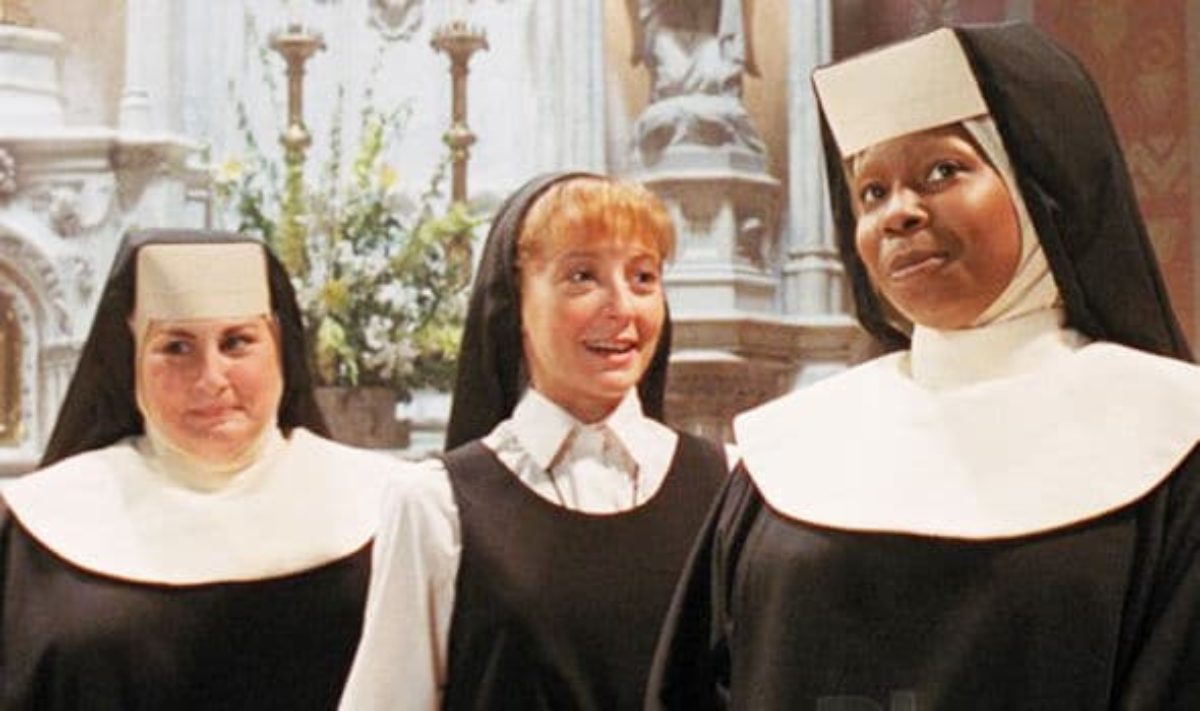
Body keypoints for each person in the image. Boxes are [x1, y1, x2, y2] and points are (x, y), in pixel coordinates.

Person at [647, 23, 1200, 709]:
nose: (898, 214)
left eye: (943, 172)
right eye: (871, 192)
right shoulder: (787, 454)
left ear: (1039, 189)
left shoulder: (1168, 439)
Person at [338, 173, 729, 709]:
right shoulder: (436, 505)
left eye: (643, 277)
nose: (623, 307)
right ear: (514, 302)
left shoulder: (726, 484)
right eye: (582, 276)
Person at [0, 229, 400, 709]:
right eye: (176, 347)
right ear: (131, 360)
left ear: (280, 349)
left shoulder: (386, 509)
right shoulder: (38, 526)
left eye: (237, 342)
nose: (211, 379)